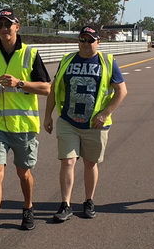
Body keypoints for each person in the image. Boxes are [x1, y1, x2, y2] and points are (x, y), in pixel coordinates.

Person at [0, 8, 51, 248]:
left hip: (24, 125)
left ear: (17, 27)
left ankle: (28, 207)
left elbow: (47, 88)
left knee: (23, 172)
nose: (4, 29)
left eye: (8, 24)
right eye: (0, 25)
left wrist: (20, 83)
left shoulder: (30, 54)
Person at [43, 25, 127, 221]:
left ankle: (89, 201)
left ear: (99, 42)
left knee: (90, 163)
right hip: (68, 120)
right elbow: (54, 89)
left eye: (91, 40)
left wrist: (105, 113)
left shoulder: (107, 62)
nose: (86, 43)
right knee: (68, 161)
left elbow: (121, 91)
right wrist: (48, 115)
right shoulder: (67, 60)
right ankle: (65, 204)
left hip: (95, 123)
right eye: (83, 39)